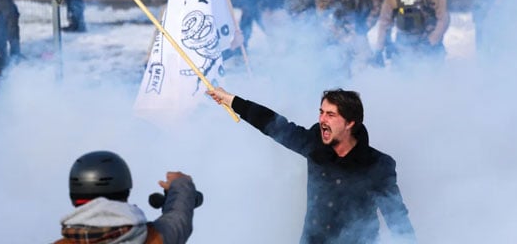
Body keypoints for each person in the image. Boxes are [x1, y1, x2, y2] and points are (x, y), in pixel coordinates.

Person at [206, 87, 416, 244]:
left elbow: (397, 217)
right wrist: (232, 101)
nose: (322, 119)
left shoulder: (377, 165)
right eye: (321, 112)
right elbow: (274, 125)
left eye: (331, 115)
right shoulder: (315, 145)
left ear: (350, 123)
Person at [54, 150, 198, 244]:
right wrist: (180, 184)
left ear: (74, 197)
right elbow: (179, 218)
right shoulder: (154, 239)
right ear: (125, 192)